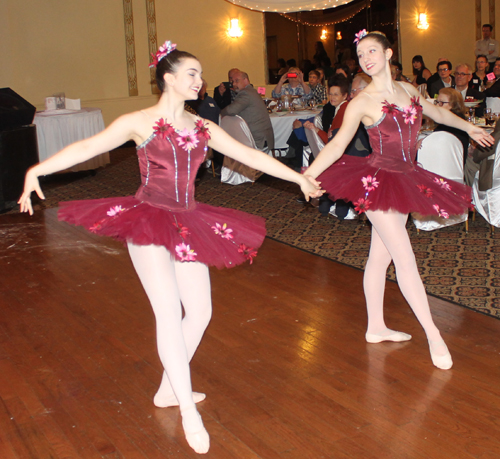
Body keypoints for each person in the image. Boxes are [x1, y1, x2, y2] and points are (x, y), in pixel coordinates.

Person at [18, 40, 322, 455]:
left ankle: (168, 389)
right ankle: (187, 410)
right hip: (148, 218)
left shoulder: (203, 127)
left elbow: (248, 154)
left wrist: (298, 178)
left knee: (200, 311)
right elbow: (89, 146)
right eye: (192, 74)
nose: (200, 81)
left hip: (189, 218)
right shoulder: (140, 121)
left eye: (200, 74)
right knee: (168, 312)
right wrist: (38, 168)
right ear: (169, 78)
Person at [304, 30, 493, 370]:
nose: (367, 59)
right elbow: (336, 145)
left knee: (381, 257)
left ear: (389, 54)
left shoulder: (408, 90)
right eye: (361, 55)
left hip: (406, 177)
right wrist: (308, 174)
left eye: (372, 51)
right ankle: (434, 335)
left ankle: (375, 327)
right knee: (405, 258)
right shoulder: (361, 101)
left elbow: (438, 113)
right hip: (378, 181)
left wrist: (469, 127)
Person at [221, 71, 274, 151]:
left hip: (258, 141)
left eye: (237, 81)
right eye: (232, 82)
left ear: (245, 80)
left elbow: (231, 110)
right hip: (264, 138)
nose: (234, 84)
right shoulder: (252, 91)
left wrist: (219, 114)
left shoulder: (245, 93)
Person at [432, 88, 470, 165]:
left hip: (447, 165)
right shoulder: (457, 119)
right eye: (437, 102)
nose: (437, 106)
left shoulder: (452, 123)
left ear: (453, 104)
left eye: (442, 103)